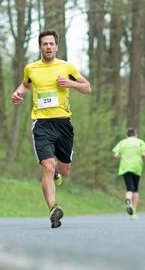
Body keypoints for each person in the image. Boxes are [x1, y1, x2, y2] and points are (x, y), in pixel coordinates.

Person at [11, 29, 92, 229]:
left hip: (64, 123)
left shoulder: (66, 67)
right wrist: (17, 93)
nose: (48, 47)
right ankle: (53, 209)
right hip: (42, 124)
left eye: (51, 44)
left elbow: (88, 87)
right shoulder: (31, 68)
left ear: (56, 46)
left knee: (64, 170)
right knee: (47, 165)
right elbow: (25, 85)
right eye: (44, 44)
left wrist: (71, 83)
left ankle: (57, 172)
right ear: (40, 47)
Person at [113, 128, 145, 220]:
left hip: (125, 167)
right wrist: (140, 157)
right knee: (135, 190)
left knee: (129, 188)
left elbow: (116, 155)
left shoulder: (122, 142)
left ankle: (128, 199)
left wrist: (124, 156)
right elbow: (144, 154)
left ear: (126, 135)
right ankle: (134, 212)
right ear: (136, 134)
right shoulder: (140, 142)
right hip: (137, 167)